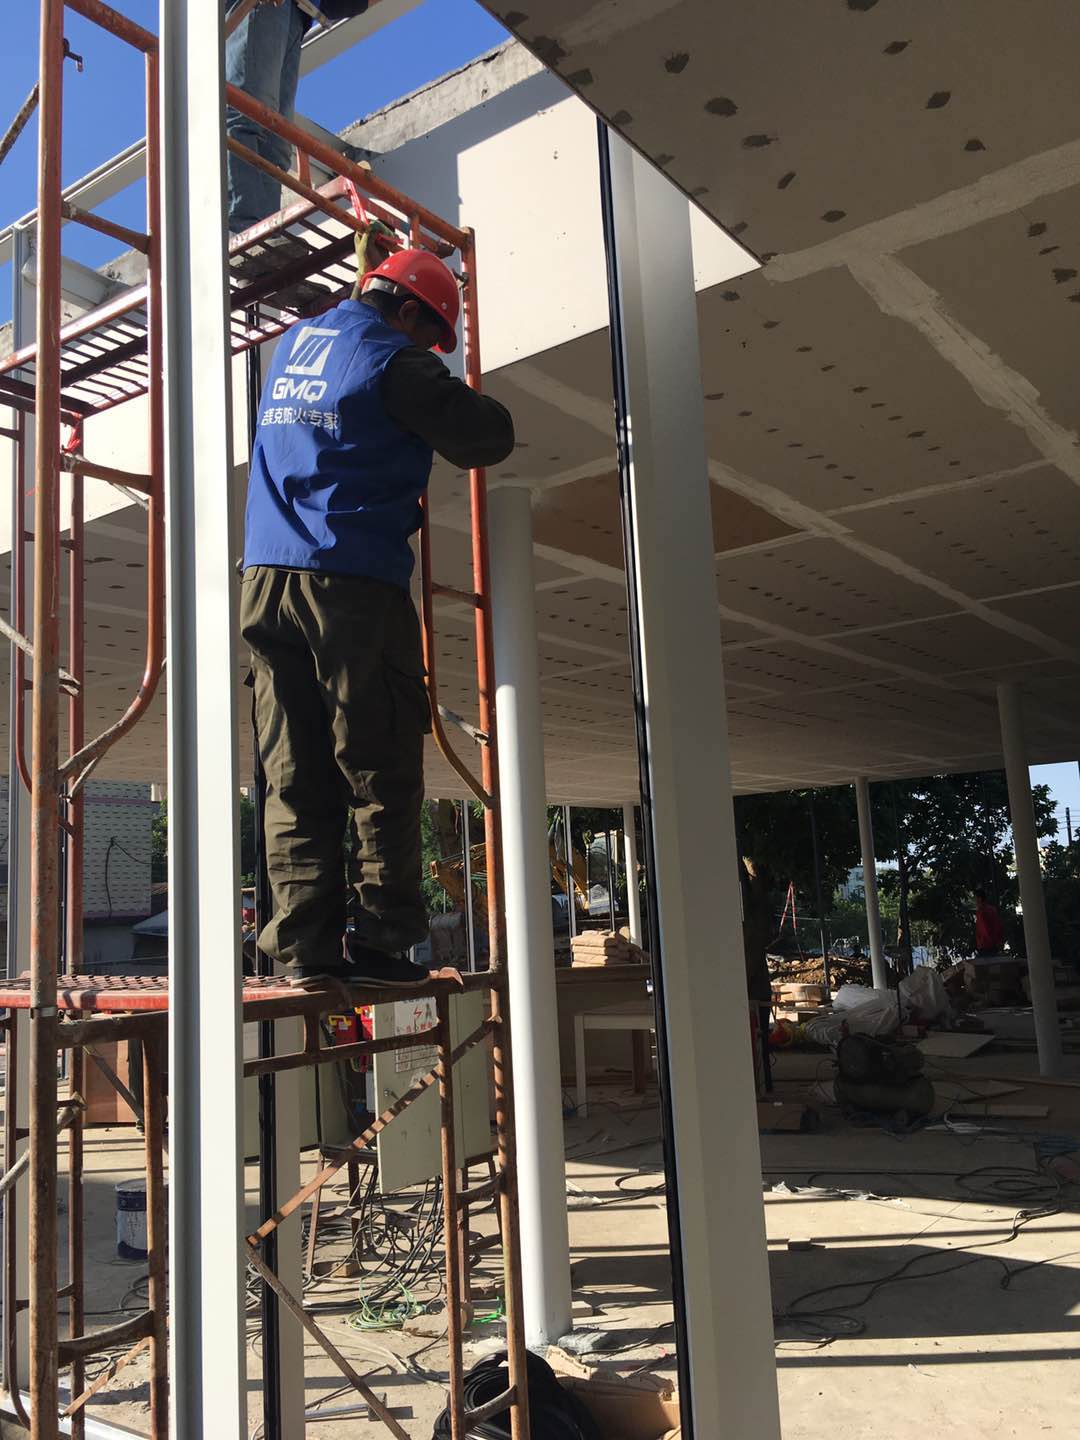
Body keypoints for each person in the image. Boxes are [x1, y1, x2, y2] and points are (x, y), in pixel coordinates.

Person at [241, 223, 514, 987]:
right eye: (432, 338)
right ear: (410, 314)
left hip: (266, 579)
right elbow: (487, 438)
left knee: (294, 768)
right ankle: (385, 944)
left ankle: (306, 947)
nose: (431, 351)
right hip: (351, 581)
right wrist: (433, 374)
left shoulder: (295, 345)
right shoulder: (393, 358)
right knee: (379, 762)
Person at [225, 0, 371, 235]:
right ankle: (241, 225)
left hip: (296, 13)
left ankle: (265, 231)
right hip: (263, 6)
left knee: (276, 141)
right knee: (247, 114)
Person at [974, 888, 1005, 956]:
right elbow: (999, 926)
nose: (975, 901)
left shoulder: (981, 911)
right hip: (994, 944)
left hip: (985, 946)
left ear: (979, 899)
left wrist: (983, 942)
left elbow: (984, 929)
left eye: (975, 898)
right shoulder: (992, 910)